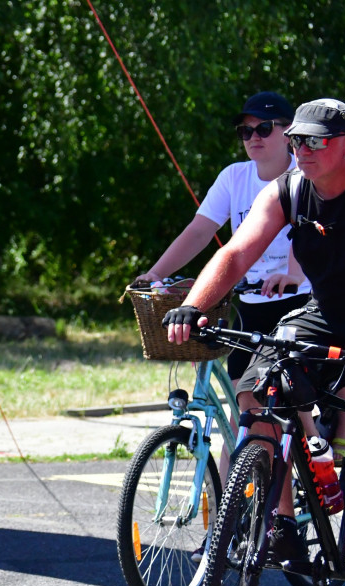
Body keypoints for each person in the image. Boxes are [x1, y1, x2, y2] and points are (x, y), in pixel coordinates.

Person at [164, 98, 345, 563]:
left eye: (315, 140)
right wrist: (192, 305)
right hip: (325, 311)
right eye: (297, 140)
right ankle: (281, 521)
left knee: (344, 435)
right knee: (257, 388)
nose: (302, 150)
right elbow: (235, 253)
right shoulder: (290, 189)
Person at [136, 91, 311, 382]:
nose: (253, 137)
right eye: (245, 131)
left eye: (264, 128)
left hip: (301, 298)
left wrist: (293, 274)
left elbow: (306, 227)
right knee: (242, 395)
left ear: (287, 133)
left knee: (301, 391)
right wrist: (154, 273)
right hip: (251, 303)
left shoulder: (304, 174)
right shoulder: (234, 177)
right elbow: (199, 232)